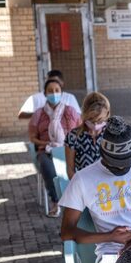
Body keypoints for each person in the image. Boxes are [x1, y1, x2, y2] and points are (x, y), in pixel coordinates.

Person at [59, 116, 131, 263]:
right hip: (111, 257)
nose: (121, 169)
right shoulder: (83, 179)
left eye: (126, 164)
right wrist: (111, 237)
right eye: (115, 165)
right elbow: (67, 232)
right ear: (102, 153)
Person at [28, 78, 81, 217]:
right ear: (45, 94)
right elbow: (32, 137)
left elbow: (80, 131)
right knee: (47, 165)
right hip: (46, 150)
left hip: (68, 148)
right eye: (50, 91)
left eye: (56, 90)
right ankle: (56, 201)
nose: (53, 93)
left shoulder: (70, 111)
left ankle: (77, 200)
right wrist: (46, 144)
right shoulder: (38, 114)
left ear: (61, 93)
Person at [65, 91, 110, 179]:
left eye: (100, 120)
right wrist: (81, 187)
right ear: (84, 115)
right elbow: (70, 170)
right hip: (84, 185)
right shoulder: (73, 136)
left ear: (107, 114)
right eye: (91, 120)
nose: (96, 124)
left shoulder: (111, 134)